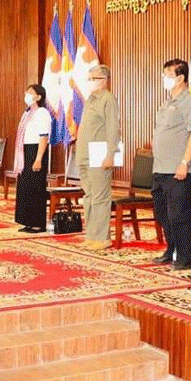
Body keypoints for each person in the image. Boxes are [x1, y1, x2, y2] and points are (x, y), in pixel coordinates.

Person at [151, 59, 191, 271]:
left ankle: (186, 258)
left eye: (168, 75)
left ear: (181, 78)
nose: (165, 79)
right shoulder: (166, 102)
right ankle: (171, 249)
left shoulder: (190, 102)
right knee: (162, 213)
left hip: (178, 168)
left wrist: (184, 162)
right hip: (160, 167)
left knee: (179, 214)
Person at [76, 65, 121, 250]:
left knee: (100, 197)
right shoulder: (90, 99)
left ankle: (102, 238)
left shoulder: (108, 99)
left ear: (103, 80)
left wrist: (110, 154)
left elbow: (113, 128)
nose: (89, 82)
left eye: (93, 79)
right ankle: (91, 235)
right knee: (89, 196)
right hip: (84, 153)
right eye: (88, 79)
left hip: (99, 152)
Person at [12, 84, 52, 232]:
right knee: (26, 187)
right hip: (26, 152)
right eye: (26, 92)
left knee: (35, 188)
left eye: (30, 93)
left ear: (39, 97)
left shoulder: (42, 113)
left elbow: (44, 137)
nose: (26, 95)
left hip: (36, 152)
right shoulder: (27, 113)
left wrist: (38, 158)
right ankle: (27, 221)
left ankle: (37, 223)